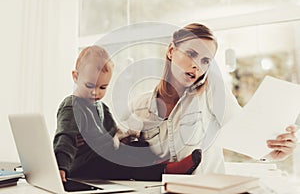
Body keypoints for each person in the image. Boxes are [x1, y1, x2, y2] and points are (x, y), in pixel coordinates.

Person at [121, 23, 299, 175]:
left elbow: (243, 129)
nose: (197, 65)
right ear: (170, 51)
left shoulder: (212, 92)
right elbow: (116, 149)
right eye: (191, 54)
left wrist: (273, 151)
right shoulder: (139, 106)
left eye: (205, 61)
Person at [53, 45, 202, 182]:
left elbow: (113, 132)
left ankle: (156, 162)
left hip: (105, 154)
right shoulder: (72, 107)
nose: (95, 93)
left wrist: (123, 140)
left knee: (140, 146)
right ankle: (167, 171)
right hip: (84, 165)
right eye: (90, 85)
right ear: (75, 76)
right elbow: (65, 138)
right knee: (124, 163)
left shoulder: (101, 106)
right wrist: (61, 167)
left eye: (103, 87)